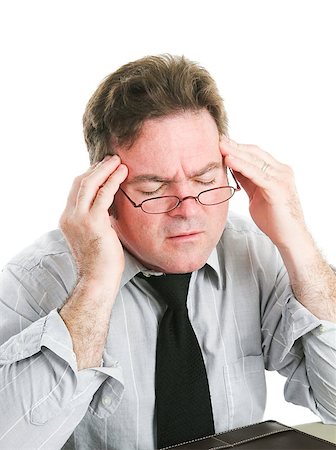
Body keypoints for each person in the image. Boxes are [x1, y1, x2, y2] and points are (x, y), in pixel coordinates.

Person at [0, 54, 335, 450]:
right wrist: (96, 282)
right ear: (104, 192)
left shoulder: (254, 253)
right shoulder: (34, 280)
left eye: (205, 178)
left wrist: (296, 238)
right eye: (153, 188)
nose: (189, 209)